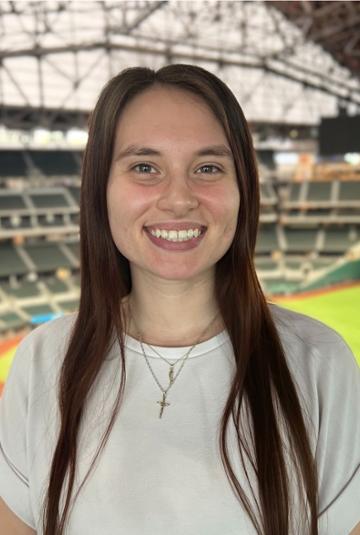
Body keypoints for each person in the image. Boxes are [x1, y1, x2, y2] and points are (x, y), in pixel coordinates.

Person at [0, 64, 359, 535]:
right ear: (100, 190)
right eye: (144, 167)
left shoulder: (321, 361)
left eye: (208, 167)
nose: (178, 198)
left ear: (242, 189)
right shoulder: (43, 360)